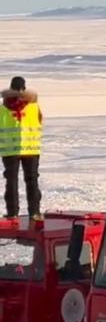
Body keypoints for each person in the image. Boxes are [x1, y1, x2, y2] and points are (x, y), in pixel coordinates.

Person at [0, 77, 42, 221]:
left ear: (11, 88)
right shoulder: (34, 106)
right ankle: (34, 212)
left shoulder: (3, 108)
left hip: (9, 150)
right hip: (31, 149)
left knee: (11, 181)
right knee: (32, 181)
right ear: (24, 88)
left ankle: (12, 213)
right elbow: (40, 120)